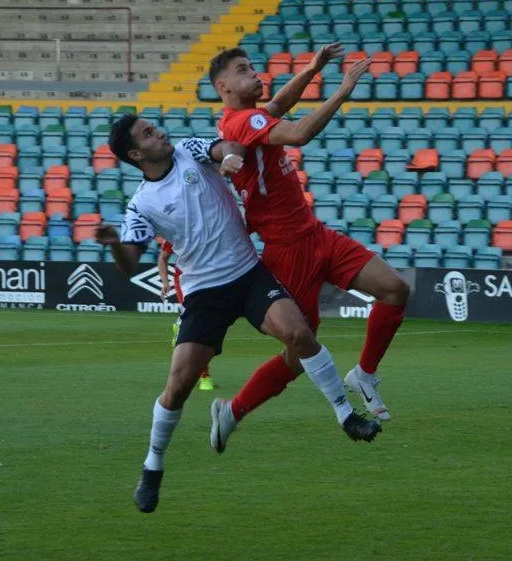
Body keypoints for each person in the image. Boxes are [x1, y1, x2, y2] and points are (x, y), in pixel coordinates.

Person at [97, 115, 381, 513]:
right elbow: (129, 264)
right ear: (134, 154)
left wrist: (230, 156)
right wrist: (114, 242)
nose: (158, 131)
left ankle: (346, 415)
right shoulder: (141, 204)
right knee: (179, 385)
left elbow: (223, 147)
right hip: (204, 293)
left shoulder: (188, 151)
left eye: (154, 126)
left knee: (299, 335)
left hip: (247, 274)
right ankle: (153, 464)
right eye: (147, 133)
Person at [206, 44, 411, 453]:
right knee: (298, 354)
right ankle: (232, 410)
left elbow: (281, 103)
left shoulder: (251, 117)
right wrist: (342, 90)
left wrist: (312, 68)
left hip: (317, 235)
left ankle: (364, 375)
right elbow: (299, 133)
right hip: (288, 253)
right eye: (243, 70)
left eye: (253, 66)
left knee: (395, 289)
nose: (255, 73)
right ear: (222, 86)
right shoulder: (241, 122)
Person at [157, 239, 214, 391]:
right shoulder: (176, 231)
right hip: (185, 281)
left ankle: (181, 326)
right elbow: (163, 257)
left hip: (209, 278)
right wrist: (165, 282)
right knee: (198, 326)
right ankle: (204, 376)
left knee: (207, 325)